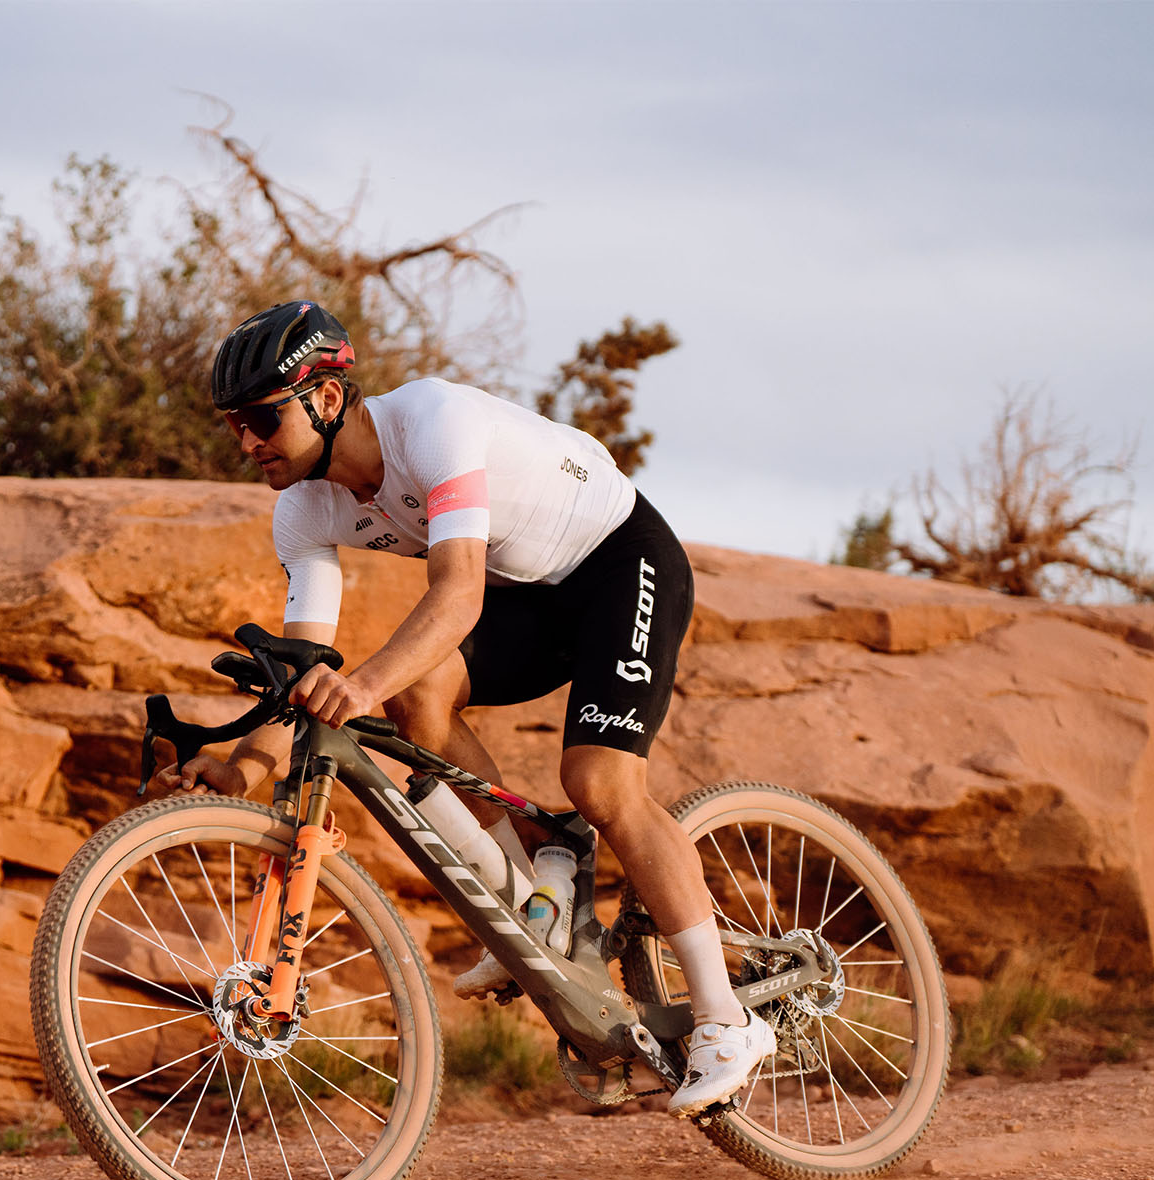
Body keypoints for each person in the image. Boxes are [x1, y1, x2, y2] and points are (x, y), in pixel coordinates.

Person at [154, 301, 775, 1116]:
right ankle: (541, 884)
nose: (245, 442)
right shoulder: (303, 509)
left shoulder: (433, 423)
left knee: (600, 783)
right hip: (532, 596)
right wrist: (238, 769)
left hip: (618, 563)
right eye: (234, 424)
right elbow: (299, 672)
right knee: (420, 695)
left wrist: (362, 683)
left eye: (261, 417)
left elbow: (457, 593)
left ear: (328, 399)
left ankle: (727, 1020)